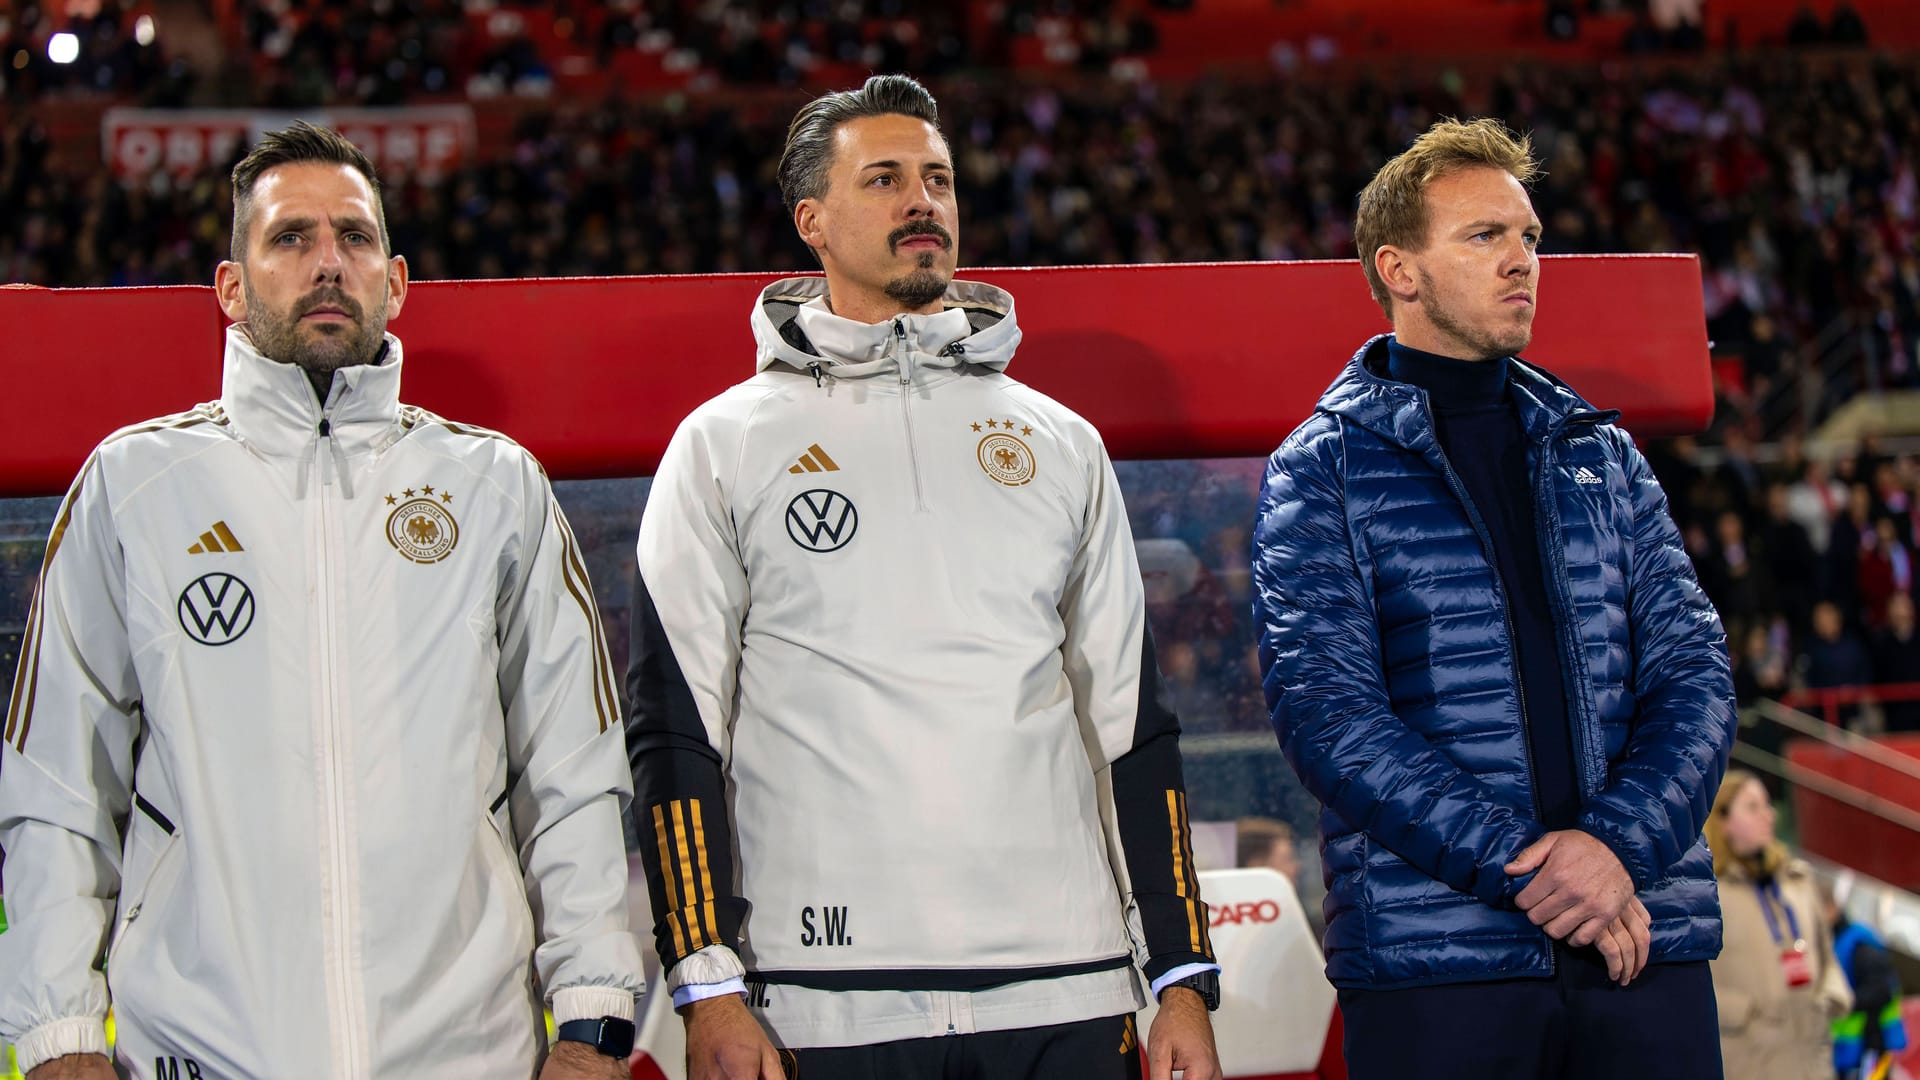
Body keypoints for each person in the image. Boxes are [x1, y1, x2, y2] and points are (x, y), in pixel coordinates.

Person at [0, 122, 643, 1080]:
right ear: (231, 285)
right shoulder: (135, 484)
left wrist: (592, 1014)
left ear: (396, 281)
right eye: (291, 238)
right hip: (205, 1051)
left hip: (464, 1056)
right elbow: (58, 779)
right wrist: (54, 1034)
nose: (328, 263)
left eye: (354, 236)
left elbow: (574, 769)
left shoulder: (492, 483)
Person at [626, 74, 1221, 1080]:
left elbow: (1130, 725)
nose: (922, 202)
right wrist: (705, 982)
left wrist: (1182, 976)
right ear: (811, 219)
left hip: (1068, 986)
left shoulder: (1060, 442)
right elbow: (678, 731)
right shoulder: (722, 445)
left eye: (939, 179)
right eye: (887, 179)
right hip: (822, 1002)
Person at [1252, 116, 1736, 1079]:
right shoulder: (1321, 471)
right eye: (1485, 237)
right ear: (1399, 268)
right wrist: (1544, 868)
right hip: (1441, 968)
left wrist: (1616, 852)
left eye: (1529, 238)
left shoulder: (1602, 450)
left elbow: (1697, 674)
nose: (1522, 261)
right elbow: (1330, 719)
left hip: (1641, 939)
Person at [1704, 770, 1852, 1079]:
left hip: (1811, 1057)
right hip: (1749, 1059)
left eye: (1768, 805)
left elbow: (1826, 955)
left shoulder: (1797, 880)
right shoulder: (1708, 893)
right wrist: (1739, 1012)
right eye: (1753, 806)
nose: (1768, 815)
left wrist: (1831, 996)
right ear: (1722, 820)